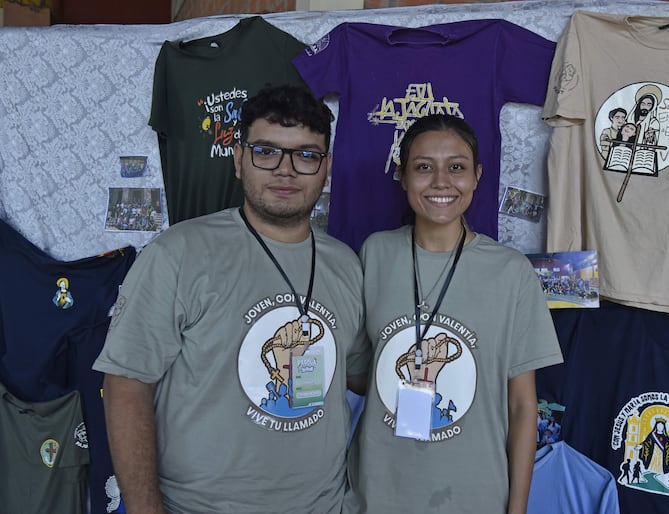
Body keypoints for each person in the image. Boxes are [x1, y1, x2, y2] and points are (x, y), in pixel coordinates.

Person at [93, 84, 370, 514]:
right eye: (266, 151)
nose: (285, 170)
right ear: (239, 160)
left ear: (326, 167)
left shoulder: (346, 265)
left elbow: (358, 375)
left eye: (306, 155)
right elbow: (125, 385)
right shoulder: (178, 254)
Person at [345, 114, 564, 514]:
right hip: (375, 494)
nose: (441, 181)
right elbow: (360, 373)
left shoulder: (511, 271)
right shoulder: (374, 253)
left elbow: (522, 405)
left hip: (474, 495)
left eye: (457, 167)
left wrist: (517, 509)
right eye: (424, 167)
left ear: (477, 175)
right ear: (403, 176)